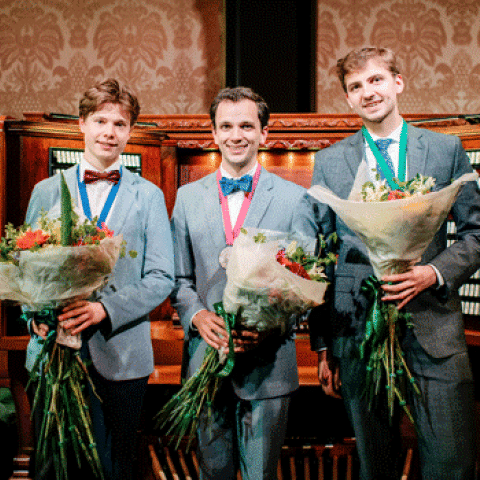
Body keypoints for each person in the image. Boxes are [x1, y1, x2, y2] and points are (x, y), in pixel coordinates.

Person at [309, 46, 480, 480]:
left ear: (397, 83)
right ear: (347, 99)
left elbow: (476, 234)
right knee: (375, 467)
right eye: (356, 86)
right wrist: (325, 346)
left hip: (434, 331)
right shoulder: (329, 163)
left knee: (450, 464)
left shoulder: (445, 150)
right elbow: (323, 255)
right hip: (357, 335)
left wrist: (434, 271)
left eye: (376, 80)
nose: (368, 92)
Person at [25, 78, 175, 480]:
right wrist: (35, 315)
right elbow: (26, 267)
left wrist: (103, 309)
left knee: (115, 467)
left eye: (120, 124)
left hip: (122, 356)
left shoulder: (149, 196)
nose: (110, 132)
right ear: (82, 124)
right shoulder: (46, 190)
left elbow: (163, 277)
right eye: (101, 121)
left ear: (130, 131)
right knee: (54, 468)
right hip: (54, 351)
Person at [171, 86, 317, 479]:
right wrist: (198, 316)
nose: (236, 135)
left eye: (247, 126)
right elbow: (179, 278)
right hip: (206, 358)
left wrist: (270, 323)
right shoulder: (186, 198)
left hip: (268, 366)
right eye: (227, 126)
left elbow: (305, 283)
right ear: (214, 134)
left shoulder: (296, 198)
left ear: (264, 134)